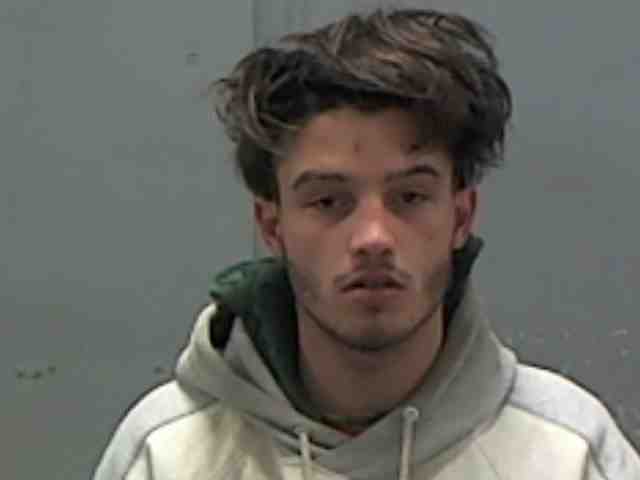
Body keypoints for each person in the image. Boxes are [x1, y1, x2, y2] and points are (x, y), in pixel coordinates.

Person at [93, 8, 640, 480]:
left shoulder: (568, 453)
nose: (373, 238)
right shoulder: (167, 454)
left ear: (461, 216)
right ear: (272, 226)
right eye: (328, 201)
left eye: (410, 197)